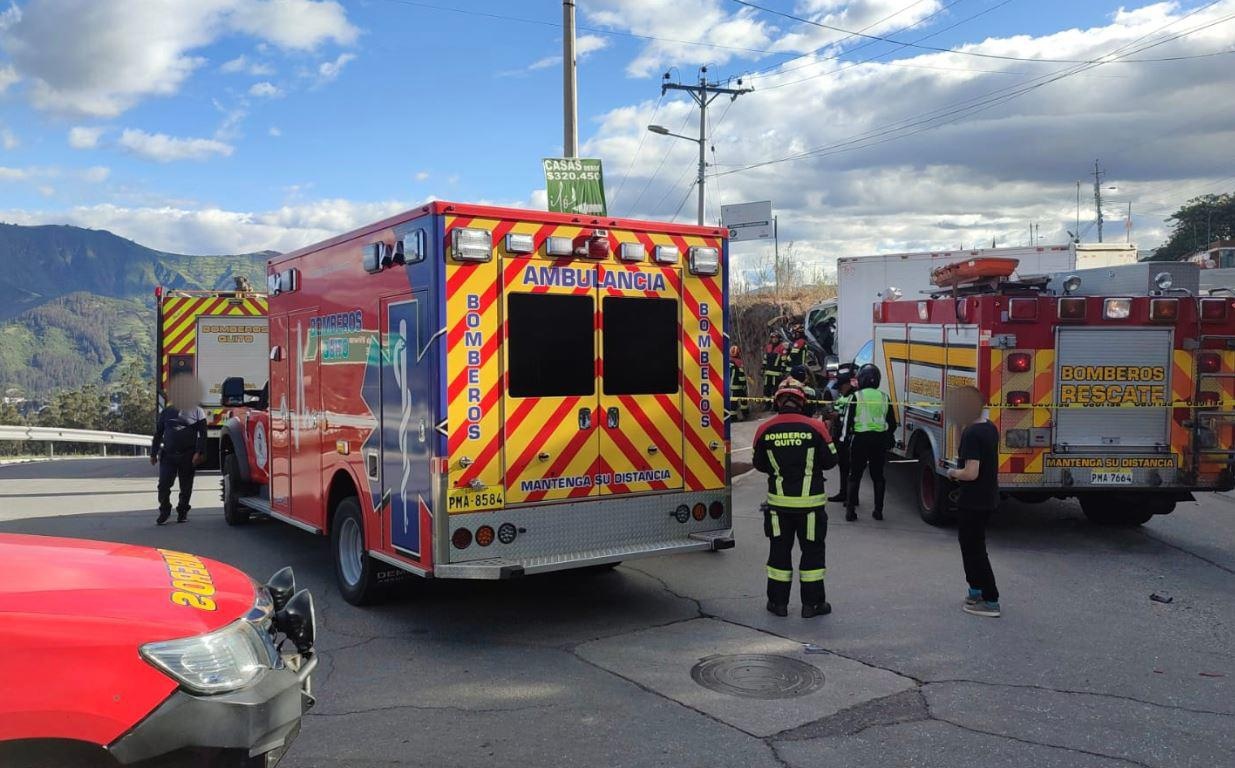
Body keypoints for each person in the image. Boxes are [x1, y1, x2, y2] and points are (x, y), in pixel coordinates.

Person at [752, 384, 838, 618]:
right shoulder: (816, 427)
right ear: (802, 403)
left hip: (779, 507)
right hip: (810, 507)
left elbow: (759, 464)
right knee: (812, 555)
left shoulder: (764, 429)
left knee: (779, 554)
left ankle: (778, 604)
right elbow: (831, 461)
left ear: (778, 403)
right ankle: (812, 606)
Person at [946, 386, 1002, 618]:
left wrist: (953, 473)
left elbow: (970, 472)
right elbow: (966, 452)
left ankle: (990, 599)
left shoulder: (973, 434)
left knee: (975, 550)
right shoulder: (988, 428)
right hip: (987, 497)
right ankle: (975, 590)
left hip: (973, 500)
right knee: (970, 547)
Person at [151, 374, 208, 525]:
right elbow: (158, 433)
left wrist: (199, 452)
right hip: (168, 455)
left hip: (188, 455)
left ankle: (182, 512)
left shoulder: (197, 411)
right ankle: (164, 510)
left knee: (186, 487)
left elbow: (203, 434)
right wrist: (153, 453)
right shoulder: (167, 412)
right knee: (163, 485)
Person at [845, 363, 896, 522]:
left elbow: (848, 422)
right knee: (878, 476)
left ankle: (850, 512)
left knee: (855, 475)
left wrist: (845, 438)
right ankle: (878, 511)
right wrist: (887, 435)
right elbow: (892, 423)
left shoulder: (856, 396)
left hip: (860, 439)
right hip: (879, 440)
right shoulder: (884, 397)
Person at [825, 363, 857, 505]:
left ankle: (848, 496)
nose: (840, 390)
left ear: (847, 385)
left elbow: (836, 415)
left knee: (848, 468)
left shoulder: (850, 398)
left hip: (847, 436)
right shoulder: (849, 397)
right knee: (847, 468)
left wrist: (830, 414)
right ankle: (847, 494)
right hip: (846, 435)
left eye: (841, 387)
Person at [762, 332, 786, 399]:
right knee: (766, 388)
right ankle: (766, 403)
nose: (774, 340)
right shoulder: (768, 347)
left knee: (775, 388)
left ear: (779, 339)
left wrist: (782, 370)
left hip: (777, 373)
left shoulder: (781, 347)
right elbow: (765, 359)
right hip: (768, 372)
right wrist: (763, 368)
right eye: (773, 338)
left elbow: (784, 361)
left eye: (776, 338)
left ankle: (774, 404)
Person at [729, 345, 750, 421]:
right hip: (738, 386)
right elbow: (741, 375)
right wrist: (744, 384)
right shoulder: (739, 362)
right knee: (743, 400)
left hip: (730, 386)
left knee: (733, 402)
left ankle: (733, 418)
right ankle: (746, 415)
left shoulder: (727, 361)